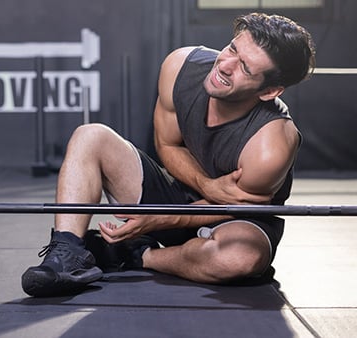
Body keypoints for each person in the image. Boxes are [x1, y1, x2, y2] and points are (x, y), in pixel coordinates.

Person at [21, 12, 316, 297]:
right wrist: (206, 185)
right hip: (179, 192)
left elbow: (233, 205)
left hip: (235, 219)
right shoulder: (180, 67)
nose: (225, 65)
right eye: (231, 49)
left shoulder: (272, 144)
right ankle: (67, 254)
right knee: (90, 135)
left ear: (269, 91)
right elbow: (168, 146)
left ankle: (135, 255)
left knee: (239, 259)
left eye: (245, 68)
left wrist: (159, 220)